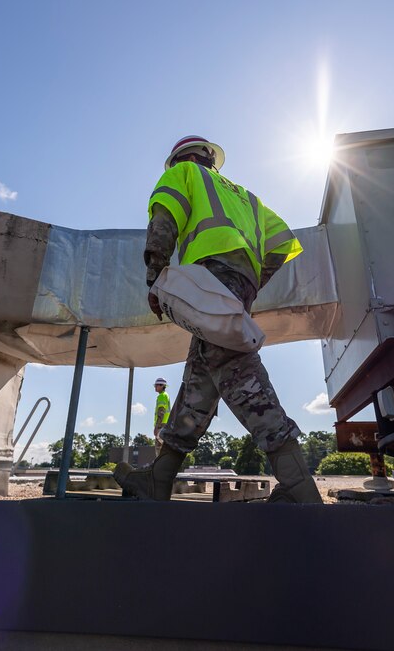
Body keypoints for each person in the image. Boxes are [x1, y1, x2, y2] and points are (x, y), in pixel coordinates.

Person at [114, 135, 322, 503]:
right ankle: (159, 478)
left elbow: (163, 221)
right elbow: (281, 243)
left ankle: (298, 484)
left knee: (237, 372)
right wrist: (250, 282)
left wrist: (156, 278)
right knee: (200, 378)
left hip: (209, 277)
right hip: (238, 281)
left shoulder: (184, 174)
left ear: (179, 159)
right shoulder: (246, 197)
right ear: (212, 158)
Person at [152, 377, 170, 455]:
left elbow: (161, 412)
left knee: (159, 448)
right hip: (165, 424)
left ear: (162, 386)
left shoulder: (162, 396)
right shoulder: (166, 395)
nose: (155, 387)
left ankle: (159, 466)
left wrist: (157, 427)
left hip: (161, 425)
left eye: (156, 385)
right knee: (164, 447)